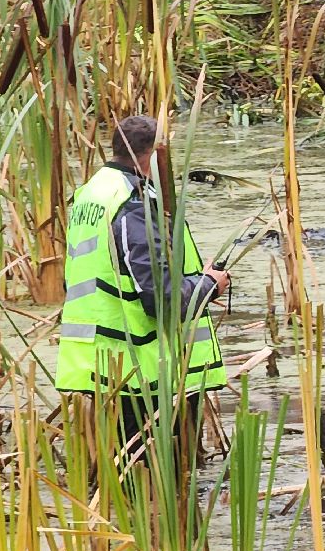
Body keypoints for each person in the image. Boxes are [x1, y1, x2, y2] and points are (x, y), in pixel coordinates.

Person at [54, 114, 230, 459]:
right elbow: (160, 298)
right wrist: (210, 284)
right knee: (151, 469)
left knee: (125, 469)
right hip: (140, 367)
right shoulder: (133, 203)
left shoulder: (92, 193)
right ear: (154, 155)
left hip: (101, 357)